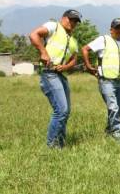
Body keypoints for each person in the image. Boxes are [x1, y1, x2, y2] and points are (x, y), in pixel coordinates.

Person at [29, 9, 82, 148]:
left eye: (76, 21)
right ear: (63, 18)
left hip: (62, 76)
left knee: (66, 111)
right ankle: (52, 146)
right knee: (61, 110)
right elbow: (34, 35)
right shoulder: (54, 26)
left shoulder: (73, 41)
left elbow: (74, 60)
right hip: (49, 73)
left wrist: (65, 67)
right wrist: (43, 52)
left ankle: (60, 144)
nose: (73, 23)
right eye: (71, 19)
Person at [81, 18, 120, 140]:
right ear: (111, 29)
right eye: (116, 28)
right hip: (106, 80)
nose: (119, 30)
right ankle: (119, 136)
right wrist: (88, 66)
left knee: (118, 110)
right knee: (113, 107)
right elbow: (85, 49)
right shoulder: (104, 40)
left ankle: (109, 132)